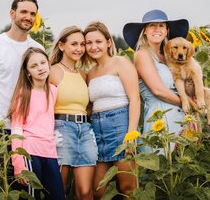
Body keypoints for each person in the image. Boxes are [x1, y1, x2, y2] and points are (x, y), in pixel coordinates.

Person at [84, 22, 140, 199]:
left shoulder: (120, 63)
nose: (93, 47)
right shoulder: (90, 72)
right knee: (97, 190)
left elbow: (135, 99)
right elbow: (91, 106)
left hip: (121, 126)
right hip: (98, 132)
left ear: (108, 42)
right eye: (89, 43)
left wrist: (131, 135)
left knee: (127, 188)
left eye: (98, 41)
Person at [0, 0, 44, 140]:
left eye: (33, 14)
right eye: (24, 12)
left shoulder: (37, 49)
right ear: (12, 14)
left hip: (28, 127)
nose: (28, 17)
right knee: (0, 164)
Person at [122, 9, 190, 151]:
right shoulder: (142, 54)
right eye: (152, 25)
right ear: (145, 31)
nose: (157, 29)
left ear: (166, 31)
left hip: (180, 119)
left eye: (161, 26)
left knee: (181, 170)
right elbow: (158, 90)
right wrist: (190, 105)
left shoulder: (168, 57)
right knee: (162, 167)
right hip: (159, 121)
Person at [9, 47, 65, 199]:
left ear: (48, 64)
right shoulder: (23, 94)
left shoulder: (53, 91)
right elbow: (16, 131)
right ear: (27, 72)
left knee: (58, 195)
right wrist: (18, 164)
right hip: (29, 152)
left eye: (42, 63)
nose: (40, 68)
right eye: (34, 66)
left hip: (50, 152)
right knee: (32, 196)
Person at [49, 26, 97, 200]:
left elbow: (88, 105)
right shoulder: (53, 71)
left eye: (82, 44)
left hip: (85, 130)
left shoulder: (83, 75)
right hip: (61, 129)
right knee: (58, 191)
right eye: (74, 44)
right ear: (61, 46)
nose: (79, 48)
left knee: (85, 192)